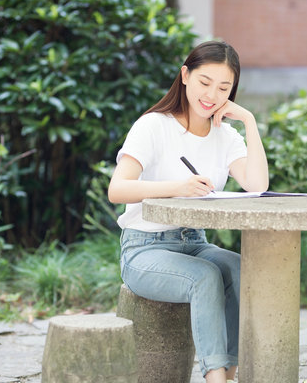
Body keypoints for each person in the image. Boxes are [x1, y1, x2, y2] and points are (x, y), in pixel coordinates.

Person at [108, 40, 268, 383]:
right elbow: (117, 189)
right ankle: (215, 379)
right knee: (205, 276)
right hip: (144, 248)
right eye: (204, 82)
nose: (211, 94)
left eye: (224, 87)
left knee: (241, 268)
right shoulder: (153, 126)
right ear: (185, 76)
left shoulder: (226, 136)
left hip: (194, 242)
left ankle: (230, 373)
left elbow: (256, 185)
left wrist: (250, 122)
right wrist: (176, 188)